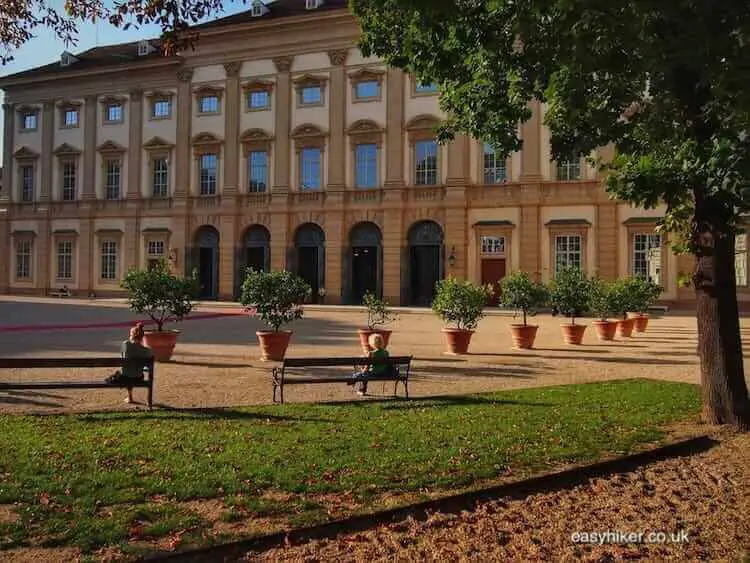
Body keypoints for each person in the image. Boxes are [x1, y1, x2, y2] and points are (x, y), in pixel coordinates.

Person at [106, 322, 153, 403]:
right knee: (131, 371)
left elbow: (122, 358)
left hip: (125, 377)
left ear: (132, 335)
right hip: (138, 377)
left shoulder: (126, 344)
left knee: (120, 374)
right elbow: (148, 364)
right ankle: (131, 398)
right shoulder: (147, 350)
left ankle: (130, 397)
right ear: (142, 336)